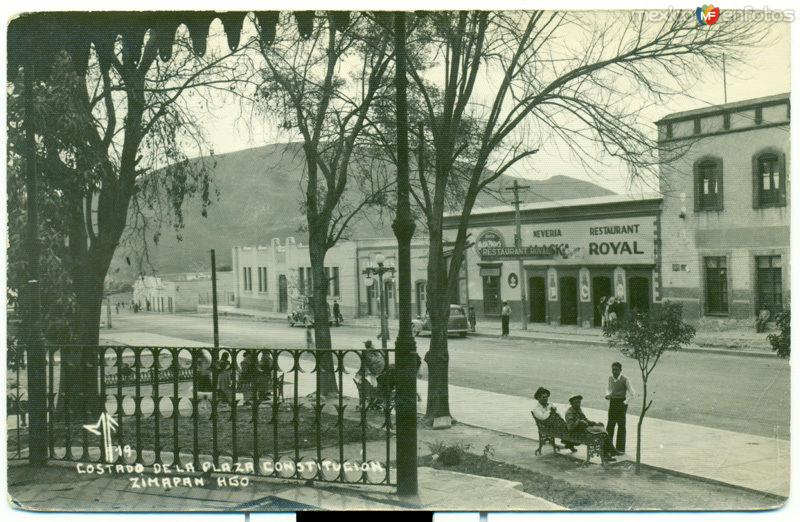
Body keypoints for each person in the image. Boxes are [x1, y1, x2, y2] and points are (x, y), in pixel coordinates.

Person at [565, 394, 617, 462]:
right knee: (603, 434)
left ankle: (609, 452)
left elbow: (585, 419)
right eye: (576, 402)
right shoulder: (569, 413)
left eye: (579, 402)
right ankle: (609, 453)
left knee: (601, 426)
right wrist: (579, 421)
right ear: (571, 403)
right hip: (578, 434)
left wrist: (594, 423)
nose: (578, 404)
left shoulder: (577, 409)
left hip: (583, 430)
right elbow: (570, 428)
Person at [532, 387, 575, 452]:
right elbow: (543, 417)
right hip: (547, 427)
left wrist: (554, 412)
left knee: (568, 426)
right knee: (568, 429)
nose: (546, 399)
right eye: (543, 397)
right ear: (538, 398)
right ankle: (570, 442)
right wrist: (550, 411)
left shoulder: (549, 404)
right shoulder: (536, 409)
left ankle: (569, 441)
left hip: (556, 424)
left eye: (546, 397)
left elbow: (557, 413)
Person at [605, 362, 635, 454]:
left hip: (621, 404)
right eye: (613, 369)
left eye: (616, 370)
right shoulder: (610, 378)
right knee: (610, 425)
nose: (614, 371)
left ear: (620, 370)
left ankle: (620, 449)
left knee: (621, 426)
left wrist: (625, 402)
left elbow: (632, 393)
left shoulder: (625, 379)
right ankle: (608, 447)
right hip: (613, 403)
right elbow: (609, 389)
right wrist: (608, 395)